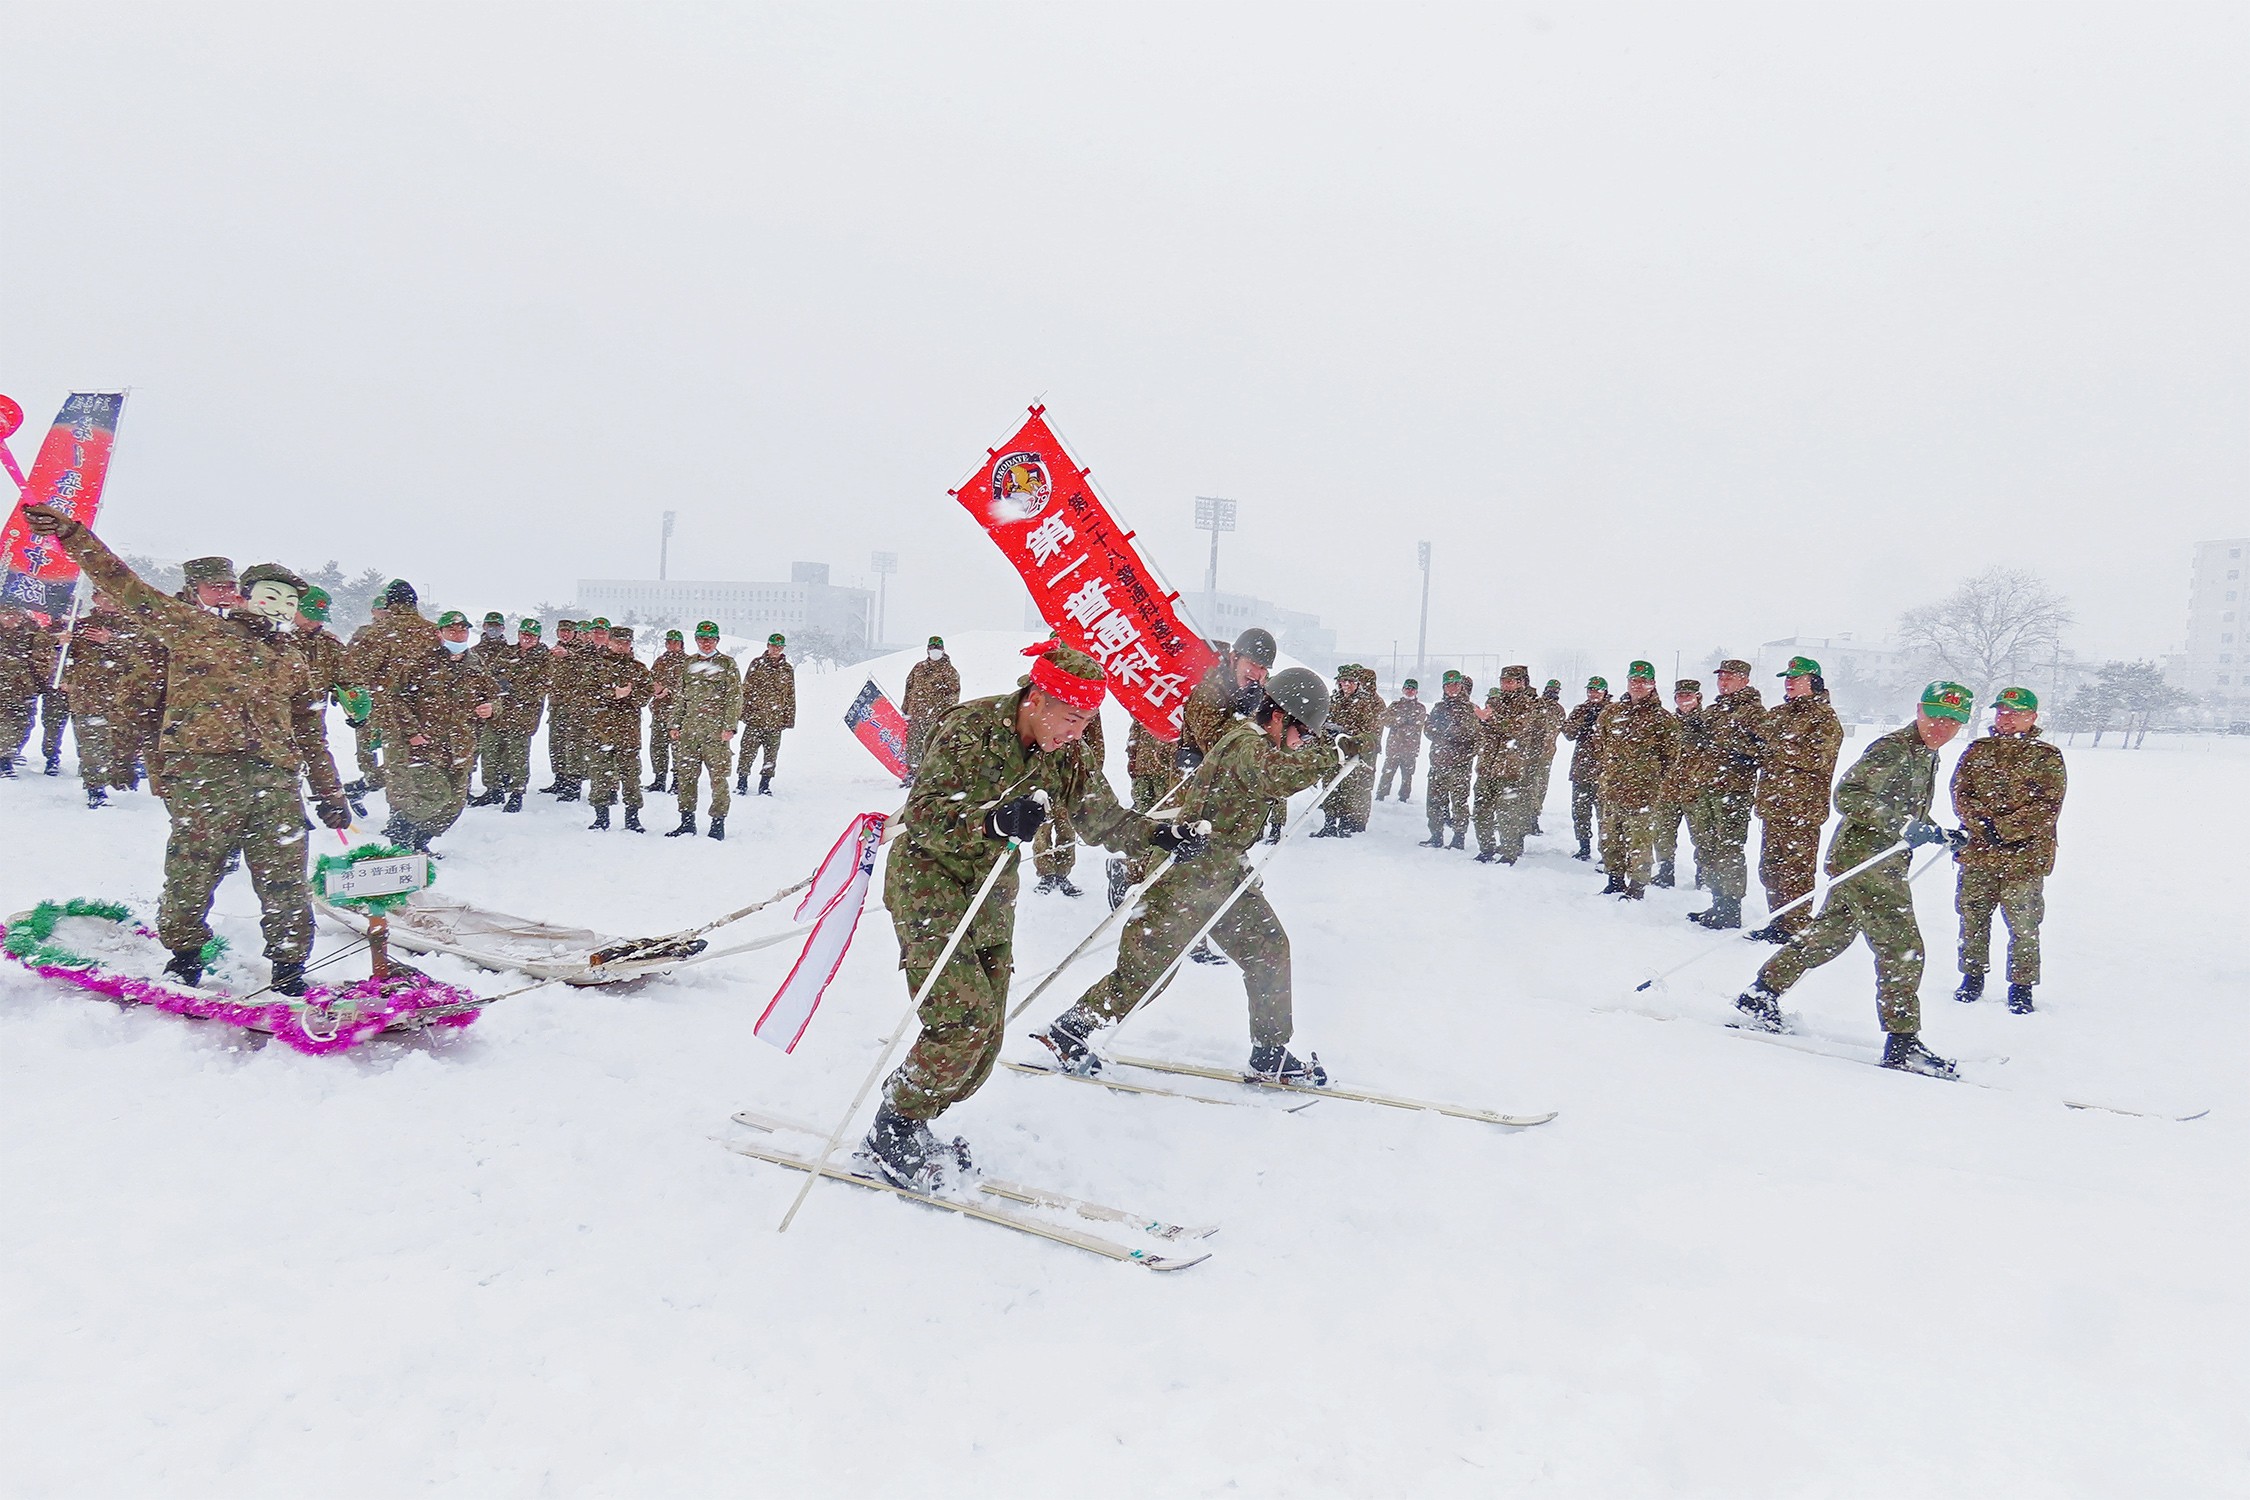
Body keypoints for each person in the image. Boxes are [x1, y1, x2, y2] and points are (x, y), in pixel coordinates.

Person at [861, 643, 1181, 1191]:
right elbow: (924, 814)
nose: (1078, 732)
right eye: (1072, 718)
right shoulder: (970, 728)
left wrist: (1160, 834)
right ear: (1037, 699)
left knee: (986, 1035)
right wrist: (991, 822)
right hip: (929, 881)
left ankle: (915, 1111)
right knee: (960, 1020)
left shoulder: (1068, 752)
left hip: (990, 889)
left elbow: (1100, 817)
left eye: (1088, 721)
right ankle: (893, 1129)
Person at [23, 504, 349, 993]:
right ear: (245, 596)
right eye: (270, 595)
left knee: (285, 878)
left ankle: (289, 966)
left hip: (276, 781)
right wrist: (73, 535)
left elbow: (310, 732)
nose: (280, 606)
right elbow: (127, 588)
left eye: (289, 600)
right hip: (206, 777)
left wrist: (330, 793)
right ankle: (185, 954)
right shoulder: (194, 629)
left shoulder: (292, 659)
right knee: (192, 871)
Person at [1036, 666, 1334, 1083]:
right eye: (1304, 733)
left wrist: (1326, 749)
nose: (1304, 744)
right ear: (1280, 717)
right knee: (1146, 974)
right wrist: (1332, 755)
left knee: (1268, 947)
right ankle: (1071, 1030)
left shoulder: (1261, 744)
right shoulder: (1246, 745)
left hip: (1224, 874)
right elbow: (1276, 776)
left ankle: (1269, 1052)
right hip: (1185, 876)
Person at [1734, 682, 1976, 1078]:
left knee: (1828, 936)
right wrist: (1902, 825)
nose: (1942, 727)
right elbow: (1848, 794)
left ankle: (1761, 994)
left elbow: (1905, 808)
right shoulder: (1893, 749)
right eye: (1935, 716)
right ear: (1919, 710)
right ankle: (1902, 1042)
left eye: (1952, 721)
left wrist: (1937, 831)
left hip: (1878, 859)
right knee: (1902, 947)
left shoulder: (1925, 753)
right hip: (1865, 862)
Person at [1951, 686, 2067, 1014]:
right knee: (1972, 917)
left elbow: (2047, 805)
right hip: (1979, 853)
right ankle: (1972, 976)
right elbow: (1961, 793)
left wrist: (2004, 829)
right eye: (2002, 712)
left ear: (2032, 717)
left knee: (2023, 924)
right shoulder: (1977, 751)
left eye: (2015, 713)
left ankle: (2021, 986)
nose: (2006, 718)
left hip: (2024, 857)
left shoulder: (2047, 757)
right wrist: (1981, 824)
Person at [1748, 655, 1844, 943]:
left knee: (1796, 873)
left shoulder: (1824, 719)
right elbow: (1757, 742)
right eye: (1787, 678)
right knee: (1770, 870)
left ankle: (1796, 929)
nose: (1789, 682)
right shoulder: (1779, 713)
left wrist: (1776, 746)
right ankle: (1778, 923)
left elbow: (1816, 758)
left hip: (1801, 810)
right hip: (1773, 806)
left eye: (1796, 678)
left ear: (1813, 682)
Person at [382, 610, 496, 850]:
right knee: (434, 796)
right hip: (427, 745)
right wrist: (412, 732)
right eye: (451, 630)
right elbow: (396, 699)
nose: (458, 635)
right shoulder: (421, 662)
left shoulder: (475, 664)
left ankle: (421, 842)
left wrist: (492, 708)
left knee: (454, 804)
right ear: (440, 633)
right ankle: (400, 833)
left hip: (461, 747)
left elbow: (494, 696)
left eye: (462, 630)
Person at [1681, 659, 1766, 930]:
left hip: (1733, 791)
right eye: (1721, 677)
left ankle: (1730, 908)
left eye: (1730, 677)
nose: (1723, 682)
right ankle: (1717, 902)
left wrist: (1738, 748)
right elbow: (1694, 738)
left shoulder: (1753, 712)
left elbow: (1763, 749)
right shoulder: (1716, 709)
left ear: (1745, 680)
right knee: (1707, 846)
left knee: (1729, 850)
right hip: (1707, 787)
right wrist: (1689, 719)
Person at [1591, 662, 1680, 899]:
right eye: (1634, 680)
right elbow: (1600, 744)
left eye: (1643, 681)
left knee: (1639, 843)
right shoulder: (1612, 713)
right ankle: (1615, 880)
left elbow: (1671, 757)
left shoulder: (1663, 719)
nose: (1637, 685)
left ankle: (1637, 887)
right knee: (1611, 839)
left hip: (1643, 794)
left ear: (1653, 684)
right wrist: (1610, 774)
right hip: (1612, 790)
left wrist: (1649, 780)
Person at [666, 621, 741, 840]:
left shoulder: (726, 664)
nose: (706, 643)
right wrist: (675, 723)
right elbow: (680, 696)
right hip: (689, 731)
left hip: (715, 732)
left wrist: (729, 726)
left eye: (710, 640)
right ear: (696, 640)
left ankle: (717, 823)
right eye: (701, 639)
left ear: (717, 641)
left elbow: (734, 697)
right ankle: (687, 822)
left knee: (718, 778)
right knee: (686, 777)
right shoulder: (689, 663)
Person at [59, 598, 137, 807]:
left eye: (113, 594)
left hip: (125, 698)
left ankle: (123, 777)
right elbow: (60, 659)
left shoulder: (135, 625)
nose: (109, 600)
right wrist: (61, 646)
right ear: (95, 598)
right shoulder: (80, 626)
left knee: (123, 743)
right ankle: (95, 787)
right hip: (89, 697)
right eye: (103, 595)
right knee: (92, 744)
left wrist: (113, 641)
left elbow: (144, 658)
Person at [585, 623, 658, 830]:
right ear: (609, 642)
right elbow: (586, 694)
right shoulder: (595, 666)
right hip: (601, 731)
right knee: (600, 774)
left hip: (628, 732)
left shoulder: (638, 668)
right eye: (618, 642)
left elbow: (646, 695)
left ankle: (632, 817)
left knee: (631, 776)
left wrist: (629, 695)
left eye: (625, 643)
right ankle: (601, 817)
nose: (621, 646)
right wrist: (612, 694)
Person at [476, 618, 551, 812]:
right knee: (490, 751)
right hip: (499, 713)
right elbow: (492, 675)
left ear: (538, 638)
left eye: (532, 636)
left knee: (517, 757)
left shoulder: (545, 658)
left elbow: (544, 685)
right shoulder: (507, 652)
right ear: (518, 634)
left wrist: (513, 690)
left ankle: (517, 793)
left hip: (523, 715)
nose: (527, 638)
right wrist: (496, 688)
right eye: (524, 634)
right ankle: (493, 789)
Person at [1470, 667, 1543, 864]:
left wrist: (1490, 719)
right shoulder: (1494, 702)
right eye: (1503, 681)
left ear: (1520, 683)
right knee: (1481, 812)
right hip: (1487, 766)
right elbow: (1484, 731)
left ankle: (1509, 853)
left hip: (1510, 769)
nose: (1505, 685)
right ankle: (1486, 849)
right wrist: (1482, 721)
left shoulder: (1528, 705)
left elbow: (1517, 728)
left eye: (1510, 681)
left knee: (1507, 814)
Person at [1315, 664, 1381, 837]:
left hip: (1352, 753)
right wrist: (1327, 730)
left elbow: (1368, 731)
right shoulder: (1333, 700)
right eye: (1343, 681)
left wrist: (1346, 732)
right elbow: (1323, 721)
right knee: (1329, 787)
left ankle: (1345, 825)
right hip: (1332, 750)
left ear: (1357, 683)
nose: (1346, 684)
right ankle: (1329, 823)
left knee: (1348, 789)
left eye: (1350, 681)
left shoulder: (1364, 703)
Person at [1652, 679, 1704, 889]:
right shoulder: (1668, 722)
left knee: (1702, 837)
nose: (1683, 700)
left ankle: (1704, 877)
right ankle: (1666, 872)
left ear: (1697, 697)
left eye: (1688, 695)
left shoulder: (1708, 722)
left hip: (1696, 791)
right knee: (1662, 835)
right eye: (1679, 696)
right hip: (1668, 789)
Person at [1420, 670, 1477, 849]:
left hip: (1460, 765)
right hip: (1438, 763)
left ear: (1461, 686)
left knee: (1459, 803)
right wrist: (1441, 734)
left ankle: (1459, 837)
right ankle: (1436, 835)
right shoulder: (1439, 708)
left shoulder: (1470, 709)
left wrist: (1457, 737)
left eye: (1455, 685)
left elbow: (1475, 735)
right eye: (1448, 685)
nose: (1452, 688)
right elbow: (1428, 729)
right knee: (1434, 802)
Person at [735, 632, 795, 796]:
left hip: (775, 721)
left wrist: (788, 719)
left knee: (771, 756)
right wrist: (742, 713)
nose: (776, 649)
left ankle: (765, 785)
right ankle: (742, 783)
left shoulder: (787, 669)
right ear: (768, 646)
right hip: (755, 718)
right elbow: (746, 688)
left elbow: (790, 695)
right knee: (746, 752)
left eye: (779, 647)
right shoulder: (757, 664)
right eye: (773, 646)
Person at [0, 603, 56, 777]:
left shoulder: (33, 632)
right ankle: (4, 759)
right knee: (4, 724)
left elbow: (44, 656)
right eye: (6, 614)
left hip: (23, 688)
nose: (11, 618)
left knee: (22, 724)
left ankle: (10, 751)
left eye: (15, 614)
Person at [1560, 677, 1610, 861]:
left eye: (1597, 690)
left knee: (1605, 816)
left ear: (1605, 692)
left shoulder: (1612, 711)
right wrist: (1582, 723)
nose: (1593, 694)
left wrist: (1599, 725)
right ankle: (1584, 847)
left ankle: (1607, 853)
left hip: (1604, 771)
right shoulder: (1580, 709)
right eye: (1590, 690)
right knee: (1580, 812)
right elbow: (1567, 733)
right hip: (1581, 770)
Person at [902, 635, 961, 780]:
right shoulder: (918, 668)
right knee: (914, 746)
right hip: (916, 716)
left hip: (936, 718)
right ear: (927, 650)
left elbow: (953, 695)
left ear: (943, 650)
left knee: (933, 746)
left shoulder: (949, 671)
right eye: (932, 648)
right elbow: (909, 688)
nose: (935, 650)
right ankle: (913, 775)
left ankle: (930, 776)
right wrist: (906, 709)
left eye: (938, 648)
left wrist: (944, 714)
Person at [538, 619, 581, 796]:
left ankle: (573, 784)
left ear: (575, 633)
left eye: (568, 631)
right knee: (556, 744)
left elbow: (587, 666)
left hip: (574, 707)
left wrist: (569, 655)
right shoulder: (553, 651)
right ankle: (560, 778)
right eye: (562, 631)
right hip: (556, 705)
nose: (565, 634)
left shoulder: (581, 650)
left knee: (573, 745)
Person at [646, 627, 689, 792]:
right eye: (669, 642)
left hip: (678, 714)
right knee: (657, 748)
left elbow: (689, 687)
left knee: (678, 749)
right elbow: (650, 680)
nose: (672, 645)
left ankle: (678, 781)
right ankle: (659, 779)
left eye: (675, 643)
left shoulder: (688, 662)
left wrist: (668, 690)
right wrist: (654, 689)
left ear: (681, 644)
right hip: (659, 711)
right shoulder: (660, 661)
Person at [1525, 679, 1567, 837]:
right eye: (1550, 689)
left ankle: (1533, 817)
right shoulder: (1537, 704)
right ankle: (1526, 818)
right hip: (1530, 754)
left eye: (1555, 690)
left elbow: (1561, 729)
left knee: (1541, 787)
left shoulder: (1559, 710)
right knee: (1529, 786)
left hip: (1546, 755)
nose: (1552, 692)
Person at [1376, 678, 1427, 802]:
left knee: (1407, 775)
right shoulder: (1395, 706)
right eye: (1407, 688)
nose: (1410, 691)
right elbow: (1383, 719)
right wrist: (1397, 720)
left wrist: (1404, 725)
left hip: (1410, 748)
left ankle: (1404, 798)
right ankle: (1381, 795)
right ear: (1403, 690)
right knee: (1387, 773)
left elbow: (1418, 725)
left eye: (1412, 689)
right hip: (1394, 747)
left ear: (1416, 692)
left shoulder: (1420, 708)